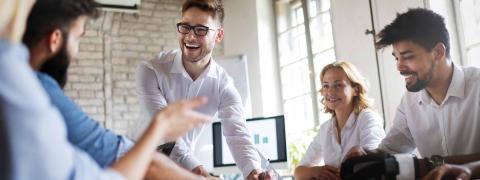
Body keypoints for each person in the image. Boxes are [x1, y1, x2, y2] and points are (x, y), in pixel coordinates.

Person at [0, 0, 212, 179]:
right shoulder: (33, 91)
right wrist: (160, 126)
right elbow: (142, 165)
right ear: (55, 39)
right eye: (78, 37)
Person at [135, 0, 272, 179]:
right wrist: (200, 172)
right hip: (137, 165)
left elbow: (237, 135)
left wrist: (254, 171)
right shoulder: (151, 71)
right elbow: (165, 128)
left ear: (219, 35)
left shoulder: (224, 86)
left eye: (201, 30)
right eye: (185, 27)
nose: (190, 37)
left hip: (181, 171)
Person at [345, 8, 480, 179]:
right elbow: (390, 149)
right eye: (396, 58)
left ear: (438, 52)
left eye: (407, 56)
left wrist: (466, 169)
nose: (399, 67)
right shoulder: (409, 102)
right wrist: (365, 154)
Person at [294, 61, 385, 180]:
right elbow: (299, 173)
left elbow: (374, 164)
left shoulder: (367, 118)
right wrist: (317, 171)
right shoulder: (326, 129)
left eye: (338, 85)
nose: (330, 92)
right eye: (326, 85)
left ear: (356, 90)